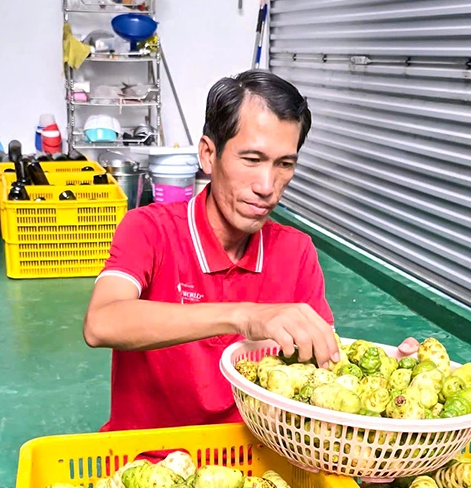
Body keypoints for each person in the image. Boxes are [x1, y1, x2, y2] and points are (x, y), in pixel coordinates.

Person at [84, 70, 416, 433]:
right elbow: (102, 323)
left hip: (256, 457)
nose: (267, 186)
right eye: (252, 159)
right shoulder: (149, 230)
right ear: (208, 155)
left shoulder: (296, 251)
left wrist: (390, 378)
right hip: (145, 457)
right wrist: (244, 316)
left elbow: (318, 368)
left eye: (284, 164)